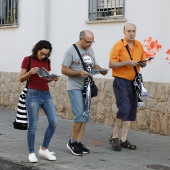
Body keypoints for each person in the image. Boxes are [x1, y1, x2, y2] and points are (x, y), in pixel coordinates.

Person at [61, 30, 108, 156]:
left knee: (85, 116)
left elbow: (93, 65)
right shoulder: (70, 51)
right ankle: (72, 141)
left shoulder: (90, 50)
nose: (90, 45)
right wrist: (78, 73)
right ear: (81, 39)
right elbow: (63, 69)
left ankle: (78, 142)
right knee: (79, 115)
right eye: (88, 42)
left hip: (87, 87)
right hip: (75, 86)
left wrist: (101, 70)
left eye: (92, 42)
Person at [109, 23, 147, 151]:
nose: (131, 33)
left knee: (131, 110)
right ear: (124, 32)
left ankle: (124, 139)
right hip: (121, 81)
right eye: (129, 31)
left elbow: (143, 62)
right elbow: (111, 64)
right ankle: (114, 137)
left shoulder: (139, 45)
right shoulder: (118, 45)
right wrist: (126, 63)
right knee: (124, 108)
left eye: (133, 31)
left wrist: (143, 63)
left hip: (134, 82)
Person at [20, 40, 59, 162]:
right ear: (37, 50)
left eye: (46, 54)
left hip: (46, 94)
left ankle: (44, 148)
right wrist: (30, 72)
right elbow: (21, 79)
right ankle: (31, 152)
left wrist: (52, 79)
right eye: (42, 53)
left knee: (54, 122)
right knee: (33, 126)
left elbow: (44, 79)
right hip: (33, 94)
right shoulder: (28, 60)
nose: (43, 56)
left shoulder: (47, 61)